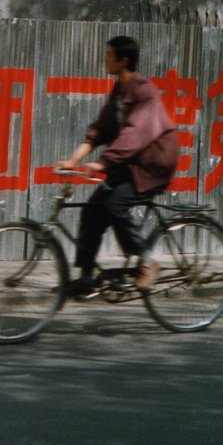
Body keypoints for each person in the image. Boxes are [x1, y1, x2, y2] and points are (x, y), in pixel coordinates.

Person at [56, 35, 179, 294]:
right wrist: (72, 160)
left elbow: (136, 133)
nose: (105, 59)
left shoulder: (144, 91)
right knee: (92, 210)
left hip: (152, 164)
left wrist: (102, 163)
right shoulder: (119, 92)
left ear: (124, 60)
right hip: (129, 165)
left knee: (114, 205)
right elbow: (100, 131)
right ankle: (87, 278)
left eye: (109, 54)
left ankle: (147, 261)